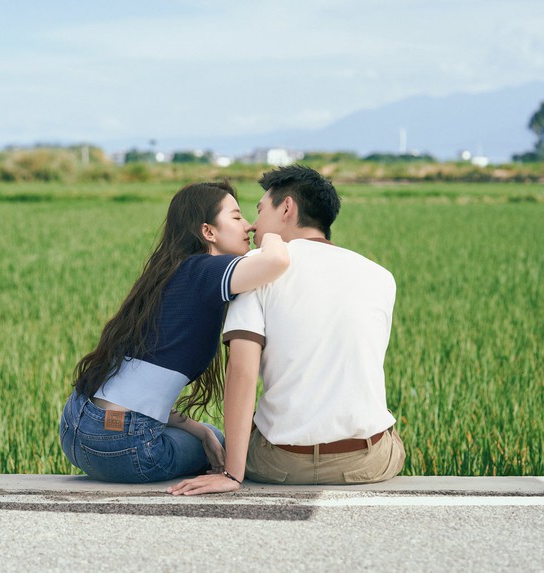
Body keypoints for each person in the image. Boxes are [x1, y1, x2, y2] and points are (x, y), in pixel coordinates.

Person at [169, 165, 405, 495]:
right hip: (365, 464)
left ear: (287, 208)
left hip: (279, 465)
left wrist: (232, 475)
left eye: (260, 210)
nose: (253, 224)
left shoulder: (257, 270)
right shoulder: (379, 276)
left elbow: (242, 372)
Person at [60, 181, 290, 483]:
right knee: (225, 445)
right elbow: (276, 261)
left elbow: (141, 390)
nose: (248, 225)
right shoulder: (204, 270)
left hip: (75, 428)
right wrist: (272, 232)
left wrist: (200, 431)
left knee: (210, 435)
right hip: (122, 448)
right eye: (236, 217)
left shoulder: (172, 273)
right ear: (208, 232)